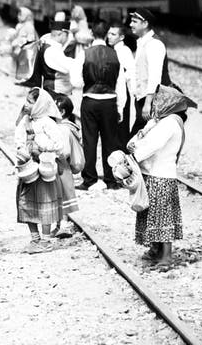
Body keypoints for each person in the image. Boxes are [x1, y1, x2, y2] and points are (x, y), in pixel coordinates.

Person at [128, 85, 197, 266]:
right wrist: (137, 142)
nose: (155, 103)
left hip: (160, 175)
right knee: (152, 214)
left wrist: (134, 153)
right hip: (153, 173)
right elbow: (136, 140)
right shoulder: (160, 121)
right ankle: (155, 249)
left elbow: (150, 144)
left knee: (161, 216)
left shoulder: (170, 123)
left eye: (159, 99)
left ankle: (166, 256)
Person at [15, 88, 76, 253]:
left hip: (44, 168)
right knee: (26, 201)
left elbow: (59, 145)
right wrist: (22, 148)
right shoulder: (25, 121)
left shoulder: (47, 122)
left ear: (40, 105)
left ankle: (46, 239)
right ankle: (35, 238)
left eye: (30, 101)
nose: (25, 104)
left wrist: (41, 146)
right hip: (29, 167)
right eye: (26, 100)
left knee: (44, 202)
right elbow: (18, 138)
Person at [78, 22, 124, 191]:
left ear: (91, 33)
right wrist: (120, 107)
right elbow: (120, 84)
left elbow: (76, 81)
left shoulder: (84, 54)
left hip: (90, 99)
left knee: (89, 140)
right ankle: (111, 179)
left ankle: (89, 179)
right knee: (109, 141)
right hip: (110, 101)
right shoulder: (115, 54)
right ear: (106, 35)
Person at [129, 8, 172, 139]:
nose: (131, 24)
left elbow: (155, 77)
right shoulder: (142, 42)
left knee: (137, 140)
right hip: (143, 99)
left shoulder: (155, 44)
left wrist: (148, 103)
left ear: (145, 24)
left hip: (153, 101)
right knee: (144, 139)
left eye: (134, 21)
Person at [18, 13, 80, 96]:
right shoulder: (52, 50)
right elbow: (67, 67)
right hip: (55, 92)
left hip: (53, 90)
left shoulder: (46, 43)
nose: (67, 39)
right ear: (61, 34)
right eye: (67, 35)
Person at [51, 93, 83, 237]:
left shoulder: (62, 129)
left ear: (62, 112)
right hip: (63, 168)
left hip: (61, 167)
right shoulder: (67, 127)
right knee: (61, 195)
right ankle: (60, 224)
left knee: (62, 195)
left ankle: (63, 224)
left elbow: (64, 151)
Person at [108, 23, 137, 136]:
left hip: (122, 91)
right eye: (109, 33)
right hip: (113, 90)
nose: (109, 36)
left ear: (121, 37)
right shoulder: (111, 50)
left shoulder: (125, 51)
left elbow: (131, 72)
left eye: (113, 34)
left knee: (122, 126)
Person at [9, 7, 38, 81]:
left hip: (25, 51)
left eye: (21, 14)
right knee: (16, 63)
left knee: (23, 66)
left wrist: (20, 42)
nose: (18, 16)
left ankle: (23, 78)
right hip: (18, 50)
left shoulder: (29, 26)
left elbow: (31, 40)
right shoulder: (21, 25)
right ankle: (16, 77)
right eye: (18, 14)